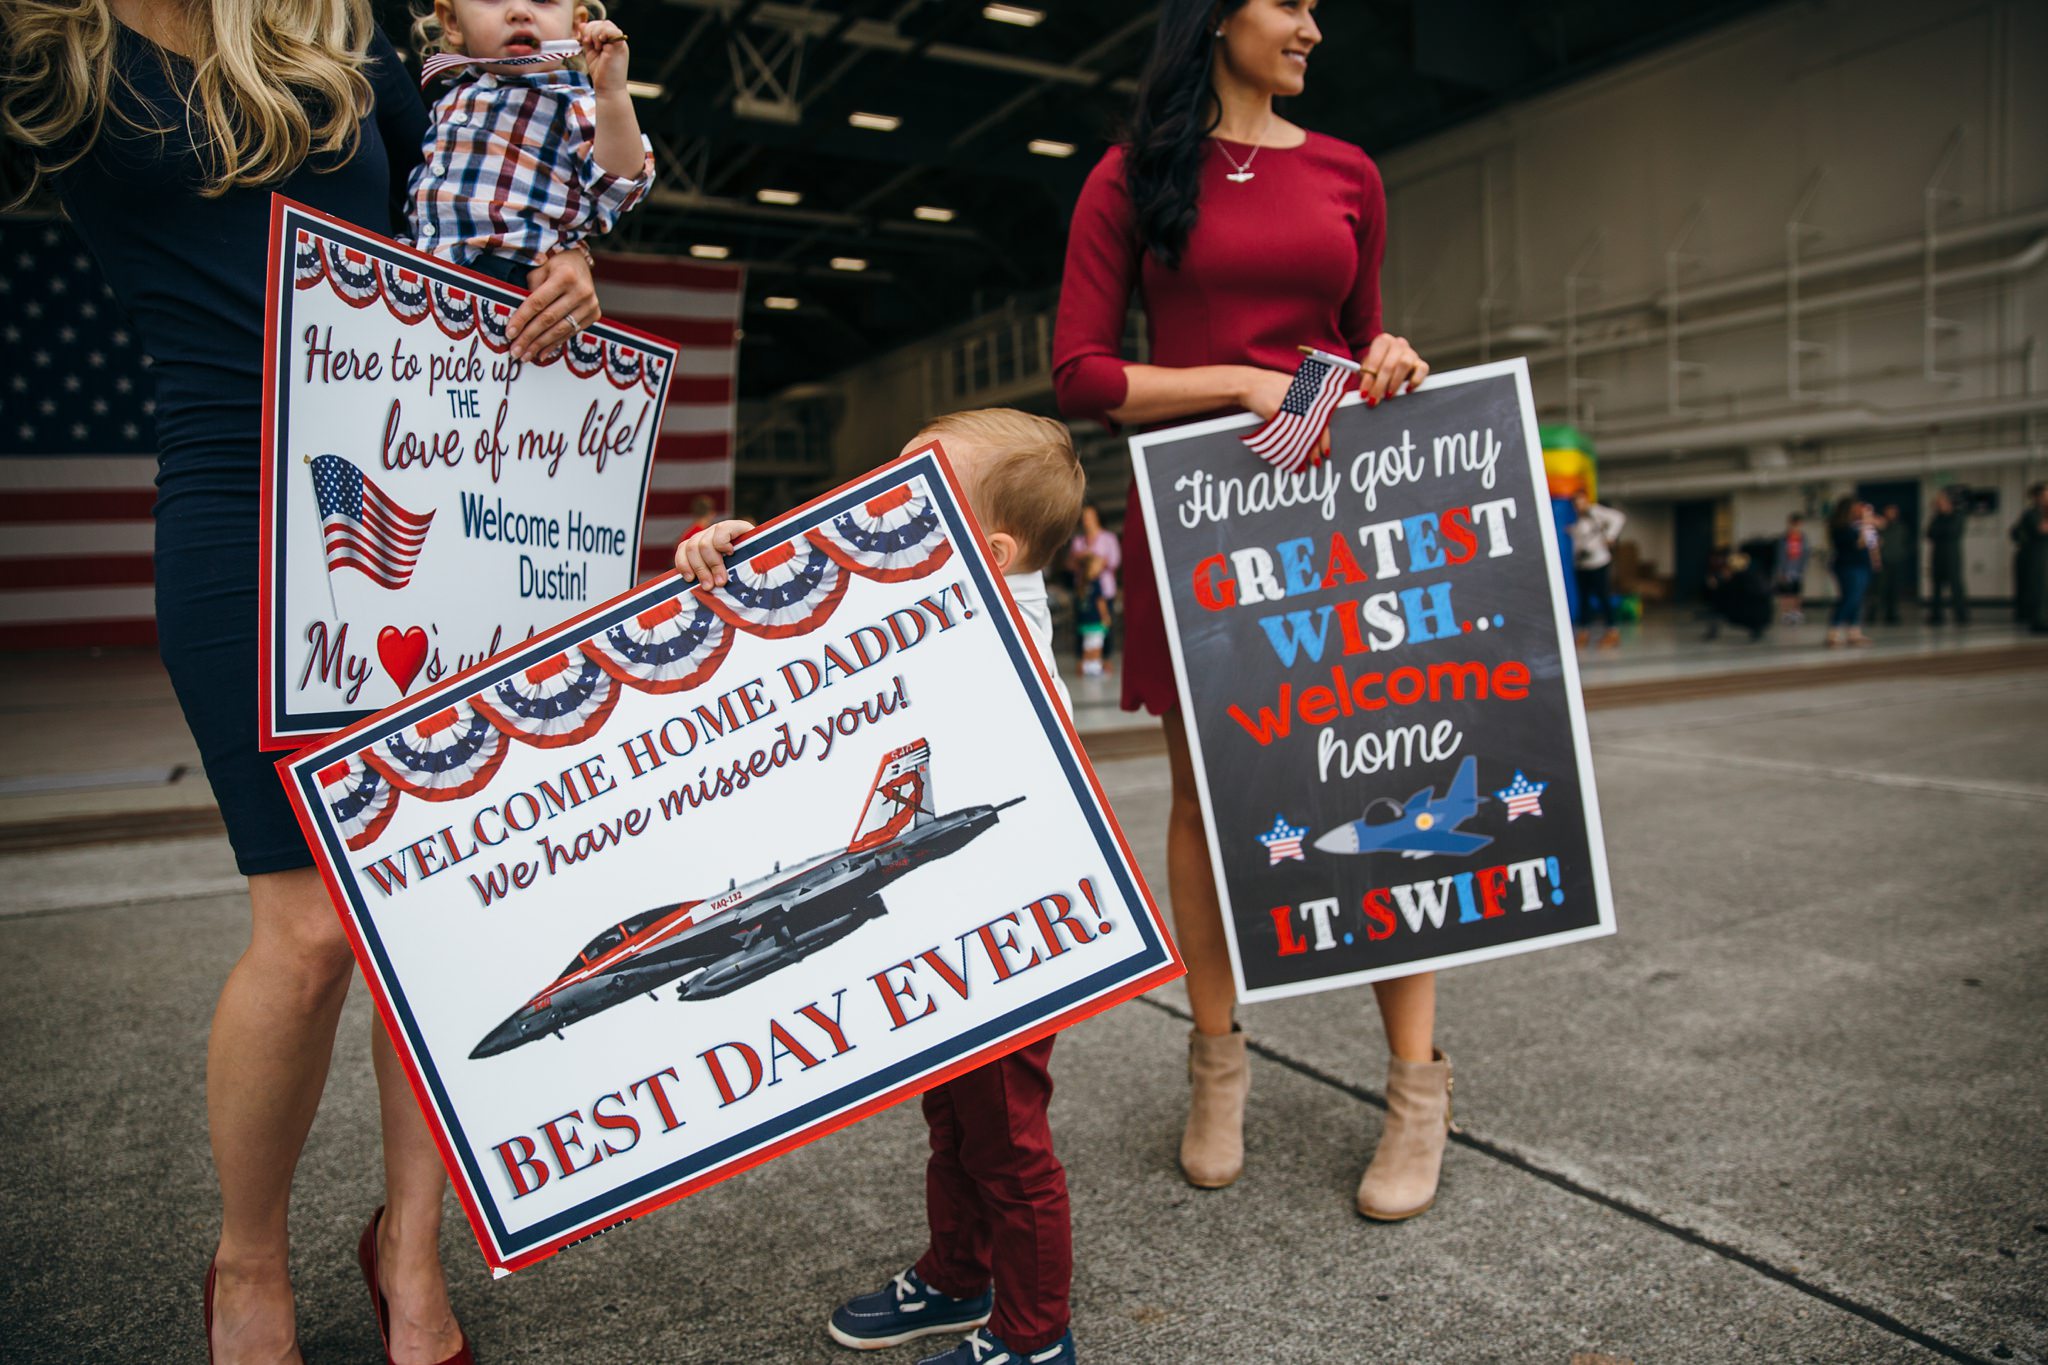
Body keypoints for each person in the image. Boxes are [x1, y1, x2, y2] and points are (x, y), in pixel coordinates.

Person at [1, 3, 600, 1360]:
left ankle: (410, 1253)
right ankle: (250, 1264)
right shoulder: (50, 46)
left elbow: (475, 177)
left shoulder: (340, 26)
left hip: (417, 487)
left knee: (424, 912)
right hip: (232, 508)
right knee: (314, 927)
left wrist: (563, 254)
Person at [1051, 0, 1449, 1221]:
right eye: (1288, 3)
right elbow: (1082, 373)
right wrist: (1234, 380)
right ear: (1214, 15)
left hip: (1343, 515)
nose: (1313, 27)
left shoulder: (1346, 171)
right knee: (1201, 802)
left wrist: (1388, 357)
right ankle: (1215, 1069)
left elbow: (1357, 332)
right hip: (1199, 514)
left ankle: (1415, 1089)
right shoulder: (1129, 176)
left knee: (1383, 774)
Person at [678, 409, 1088, 1365]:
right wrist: (730, 565)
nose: (873, 501)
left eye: (907, 493)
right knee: (953, 1118)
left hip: (1002, 939)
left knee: (1008, 1140)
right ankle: (958, 1273)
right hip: (947, 935)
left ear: (986, 548)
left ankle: (1035, 1336)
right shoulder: (924, 600)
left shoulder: (998, 633)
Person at [406, 0, 652, 285]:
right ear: (452, 22)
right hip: (424, 267)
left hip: (512, 276)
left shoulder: (573, 102)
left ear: (575, 26)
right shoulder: (450, 100)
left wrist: (611, 92)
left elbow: (620, 186)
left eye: (543, 0)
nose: (519, 11)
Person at [1567, 490, 1626, 649]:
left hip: (1599, 562)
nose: (1579, 506)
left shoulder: (1596, 511)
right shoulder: (1576, 518)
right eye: (1576, 503)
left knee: (1603, 596)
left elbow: (1619, 518)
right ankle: (1583, 632)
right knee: (1583, 599)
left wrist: (1610, 536)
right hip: (1582, 564)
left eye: (1581, 502)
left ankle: (1612, 631)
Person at [1066, 502, 1121, 660]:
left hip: (1104, 588)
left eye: (1089, 516)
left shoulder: (1108, 538)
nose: (1086, 520)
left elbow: (1115, 561)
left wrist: (1096, 562)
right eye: (1084, 517)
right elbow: (1070, 564)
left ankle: (1105, 658)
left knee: (1104, 623)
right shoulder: (1078, 541)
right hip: (1083, 589)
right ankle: (1082, 659)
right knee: (1081, 622)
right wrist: (1081, 560)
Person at [1826, 499, 1877, 647]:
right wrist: (1866, 525)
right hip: (1848, 566)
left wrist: (1870, 528)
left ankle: (1854, 633)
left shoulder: (1857, 525)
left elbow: (1872, 543)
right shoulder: (1840, 527)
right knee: (1850, 597)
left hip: (1862, 565)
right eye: (1855, 508)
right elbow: (1859, 544)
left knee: (1858, 599)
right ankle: (1833, 631)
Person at [1925, 490, 1969, 626]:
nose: (1939, 505)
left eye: (1942, 502)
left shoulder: (1957, 516)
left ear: (1948, 503)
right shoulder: (1937, 517)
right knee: (1936, 587)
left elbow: (1952, 531)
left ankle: (1961, 615)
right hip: (1937, 556)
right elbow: (1929, 533)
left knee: (1956, 586)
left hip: (1952, 556)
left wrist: (1940, 531)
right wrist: (1940, 530)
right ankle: (1936, 615)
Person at [1864, 503, 1910, 626]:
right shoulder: (1878, 527)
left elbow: (1905, 542)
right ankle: (1872, 614)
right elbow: (1871, 541)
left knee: (1894, 589)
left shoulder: (1901, 527)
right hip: (1882, 561)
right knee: (1878, 589)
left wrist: (1902, 554)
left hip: (1896, 560)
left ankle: (1892, 614)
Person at [2013, 484, 2045, 626]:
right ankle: (2036, 618)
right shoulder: (2032, 514)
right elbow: (2041, 530)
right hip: (2034, 555)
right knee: (2035, 586)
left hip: (2040, 554)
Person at [1775, 512, 1809, 625]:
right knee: (1785, 592)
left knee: (1797, 591)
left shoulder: (1803, 538)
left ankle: (1796, 613)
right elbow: (1780, 555)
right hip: (1786, 568)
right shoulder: (1784, 538)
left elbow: (1805, 553)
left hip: (1798, 568)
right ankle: (1786, 614)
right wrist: (1781, 570)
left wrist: (1802, 567)